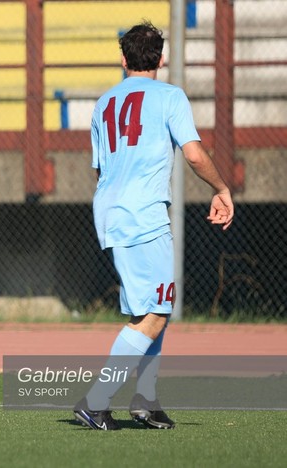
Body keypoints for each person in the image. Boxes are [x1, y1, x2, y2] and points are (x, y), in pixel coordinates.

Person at [73, 21, 234, 430]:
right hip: (144, 215)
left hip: (109, 213)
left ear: (123, 59)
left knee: (152, 307)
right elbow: (195, 155)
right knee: (158, 311)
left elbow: (100, 169)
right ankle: (96, 401)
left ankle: (145, 401)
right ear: (161, 59)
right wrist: (221, 187)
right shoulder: (170, 96)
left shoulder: (104, 102)